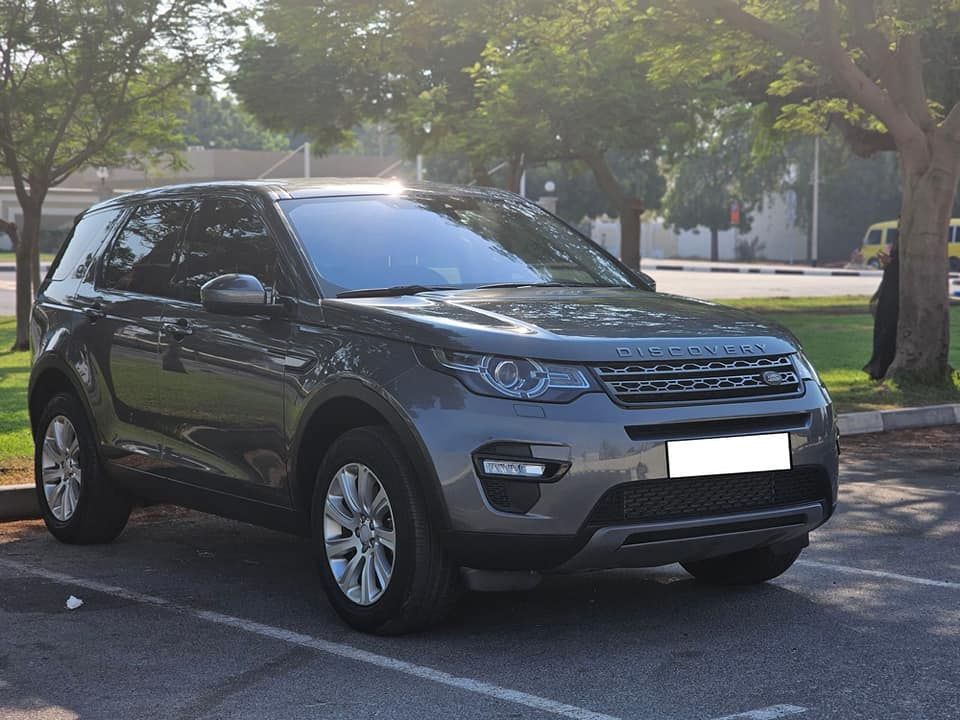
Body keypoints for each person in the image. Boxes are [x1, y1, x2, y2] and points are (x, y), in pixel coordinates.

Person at [863, 231, 899, 380]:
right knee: (882, 330)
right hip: (888, 292)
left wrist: (891, 263)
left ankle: (883, 368)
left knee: (889, 332)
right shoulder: (898, 239)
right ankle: (879, 368)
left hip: (895, 295)